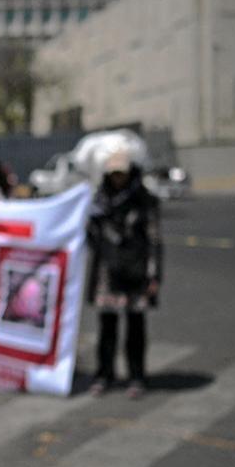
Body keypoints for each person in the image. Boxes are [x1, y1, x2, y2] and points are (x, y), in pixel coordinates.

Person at [85, 150, 162, 399]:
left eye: (122, 174)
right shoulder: (100, 201)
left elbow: (153, 240)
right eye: (114, 174)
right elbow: (91, 239)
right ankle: (104, 374)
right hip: (109, 271)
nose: (118, 179)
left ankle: (136, 375)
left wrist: (154, 276)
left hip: (136, 271)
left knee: (135, 327)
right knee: (107, 326)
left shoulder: (144, 201)